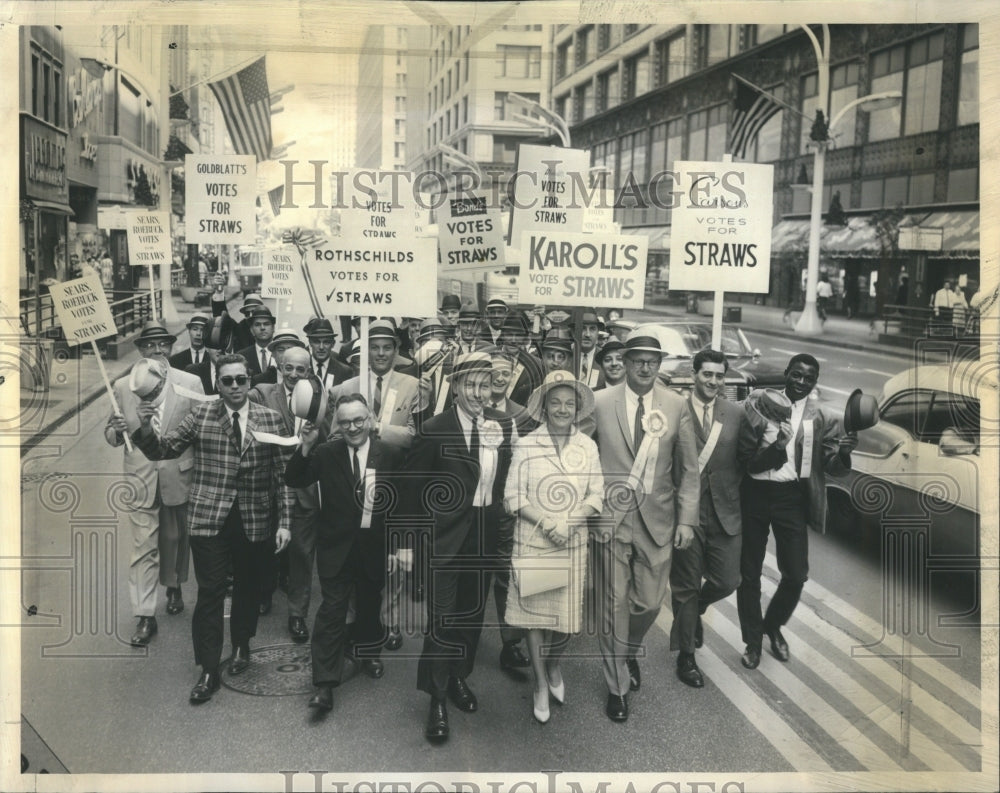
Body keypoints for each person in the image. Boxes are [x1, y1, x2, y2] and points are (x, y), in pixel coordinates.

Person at [131, 353, 294, 704]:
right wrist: (145, 427)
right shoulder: (201, 414)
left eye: (241, 379)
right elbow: (163, 449)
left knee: (249, 587)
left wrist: (285, 524)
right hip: (209, 518)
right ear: (217, 385)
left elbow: (283, 478)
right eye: (227, 380)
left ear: (249, 381)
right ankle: (207, 667)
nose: (235, 386)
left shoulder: (272, 419)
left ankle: (240, 646)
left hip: (254, 518)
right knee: (211, 591)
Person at [589, 327, 699, 723]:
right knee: (612, 604)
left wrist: (687, 519)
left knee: (650, 602)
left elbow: (688, 470)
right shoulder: (600, 402)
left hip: (658, 520)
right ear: (626, 363)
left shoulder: (676, 405)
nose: (644, 368)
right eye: (637, 362)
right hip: (609, 520)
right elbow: (579, 454)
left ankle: (630, 647)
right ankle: (617, 687)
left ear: (659, 365)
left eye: (652, 363)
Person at [405, 352, 516, 743]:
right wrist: (411, 549)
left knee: (470, 617)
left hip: (482, 537)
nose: (479, 393)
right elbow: (412, 495)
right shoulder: (434, 429)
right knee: (442, 622)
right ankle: (435, 699)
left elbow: (500, 487)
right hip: (443, 540)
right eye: (471, 384)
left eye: (486, 385)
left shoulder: (500, 426)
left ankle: (457, 678)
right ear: (454, 387)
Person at [737, 354, 856, 671]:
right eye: (797, 375)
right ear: (786, 374)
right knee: (748, 573)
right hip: (754, 493)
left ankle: (771, 626)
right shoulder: (758, 401)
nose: (801, 382)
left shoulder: (821, 417)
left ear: (815, 382)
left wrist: (843, 452)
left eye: (809, 378)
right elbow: (744, 453)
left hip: (790, 497)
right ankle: (752, 642)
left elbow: (831, 466)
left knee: (796, 574)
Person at [285, 394, 404, 712]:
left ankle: (368, 652)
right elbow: (293, 478)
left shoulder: (389, 454)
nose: (353, 427)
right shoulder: (326, 453)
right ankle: (324, 684)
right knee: (331, 612)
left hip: (374, 548)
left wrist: (397, 549)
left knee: (369, 605)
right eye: (345, 421)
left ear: (371, 420)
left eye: (359, 420)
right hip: (335, 548)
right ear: (337, 423)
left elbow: (400, 507)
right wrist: (306, 446)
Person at [504, 372, 604, 723]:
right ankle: (539, 683)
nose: (562, 409)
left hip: (572, 541)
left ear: (577, 409)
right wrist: (548, 523)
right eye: (555, 402)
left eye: (569, 403)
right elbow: (512, 496)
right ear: (544, 407)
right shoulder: (527, 444)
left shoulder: (587, 447)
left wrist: (569, 522)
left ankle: (553, 664)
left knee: (565, 622)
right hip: (534, 540)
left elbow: (597, 495)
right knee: (534, 618)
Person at [104, 325, 205, 646]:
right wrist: (118, 430)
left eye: (164, 345)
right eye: (151, 346)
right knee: (143, 546)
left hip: (179, 473)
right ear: (141, 351)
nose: (158, 350)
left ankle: (174, 586)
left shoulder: (189, 383)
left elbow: (203, 428)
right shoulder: (122, 387)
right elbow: (110, 435)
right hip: (140, 478)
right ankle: (145, 615)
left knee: (175, 537)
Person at [668, 349, 754, 688]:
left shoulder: (735, 414)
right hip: (686, 514)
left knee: (728, 580)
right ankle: (686, 656)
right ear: (694, 373)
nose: (713, 382)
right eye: (707, 374)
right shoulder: (675, 409)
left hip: (725, 512)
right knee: (686, 586)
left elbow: (749, 459)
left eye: (719, 376)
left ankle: (696, 608)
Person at [249, 347, 332, 642]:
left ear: (309, 371)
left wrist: (315, 433)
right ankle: (263, 592)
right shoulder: (262, 392)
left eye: (301, 369)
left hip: (303, 487)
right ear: (279, 367)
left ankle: (297, 614)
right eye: (289, 368)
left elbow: (329, 439)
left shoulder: (322, 397)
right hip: (265, 484)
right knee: (263, 545)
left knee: (301, 554)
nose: (294, 375)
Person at [304, 317, 353, 390]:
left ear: (333, 344)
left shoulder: (344, 371)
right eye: (317, 342)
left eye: (326, 342)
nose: (321, 347)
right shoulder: (302, 368)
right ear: (310, 343)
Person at [237, 306, 277, 379]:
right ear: (251, 330)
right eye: (257, 324)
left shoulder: (280, 352)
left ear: (273, 328)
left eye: (266, 324)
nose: (262, 328)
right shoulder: (242, 356)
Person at [576, 309, 603, 389]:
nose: (587, 334)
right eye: (583, 328)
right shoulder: (566, 356)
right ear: (574, 332)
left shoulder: (604, 357)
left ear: (598, 333)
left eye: (592, 329)